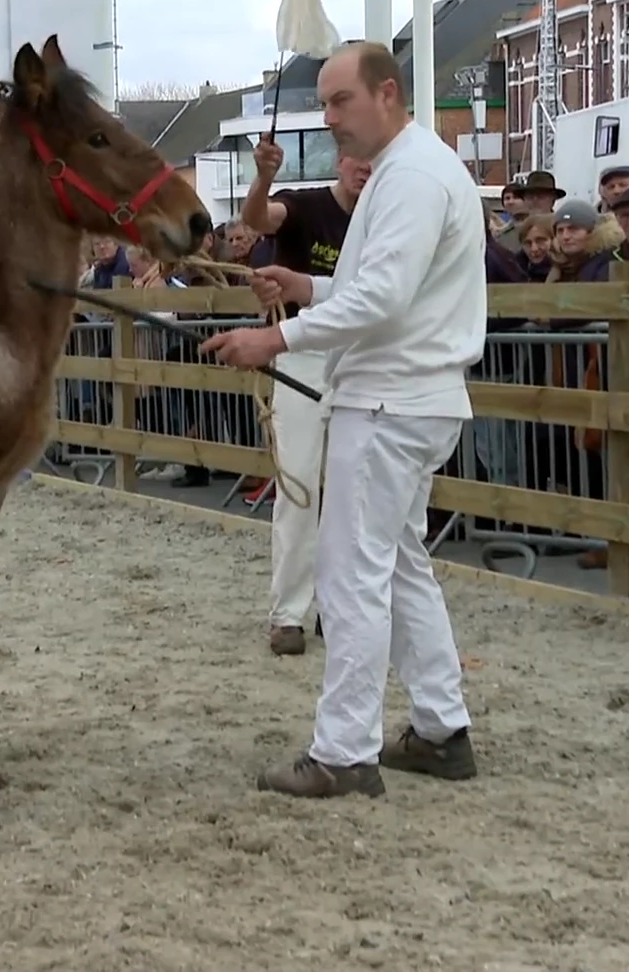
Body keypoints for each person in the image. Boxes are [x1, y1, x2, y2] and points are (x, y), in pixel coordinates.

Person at [201, 41, 487, 799]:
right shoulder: (410, 169)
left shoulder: (412, 177)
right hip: (411, 394)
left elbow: (385, 301)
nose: (329, 119)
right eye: (326, 103)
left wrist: (277, 333)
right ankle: (439, 726)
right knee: (394, 562)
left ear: (386, 94)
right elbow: (384, 290)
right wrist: (306, 284)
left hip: (390, 399)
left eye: (338, 102)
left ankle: (344, 751)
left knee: (350, 572)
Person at [240, 149, 368, 656]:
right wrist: (264, 178)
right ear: (341, 161)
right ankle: (289, 611)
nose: (365, 169)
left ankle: (337, 606)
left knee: (352, 487)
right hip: (301, 352)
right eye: (358, 161)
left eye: (374, 162)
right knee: (298, 483)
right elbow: (257, 218)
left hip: (359, 357)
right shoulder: (305, 206)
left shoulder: (384, 217)